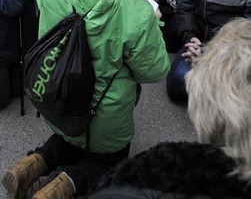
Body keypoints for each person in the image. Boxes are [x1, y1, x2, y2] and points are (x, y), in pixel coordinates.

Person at [2, 0, 169, 199]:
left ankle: (31, 165)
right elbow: (154, 70)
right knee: (108, 159)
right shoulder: (136, 10)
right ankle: (58, 189)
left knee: (70, 136)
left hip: (56, 96)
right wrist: (154, 24)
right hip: (102, 117)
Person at [88, 17, 251, 199]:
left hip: (88, 123)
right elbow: (184, 3)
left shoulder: (150, 172)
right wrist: (191, 38)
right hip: (201, 40)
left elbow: (155, 70)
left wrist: (150, 22)